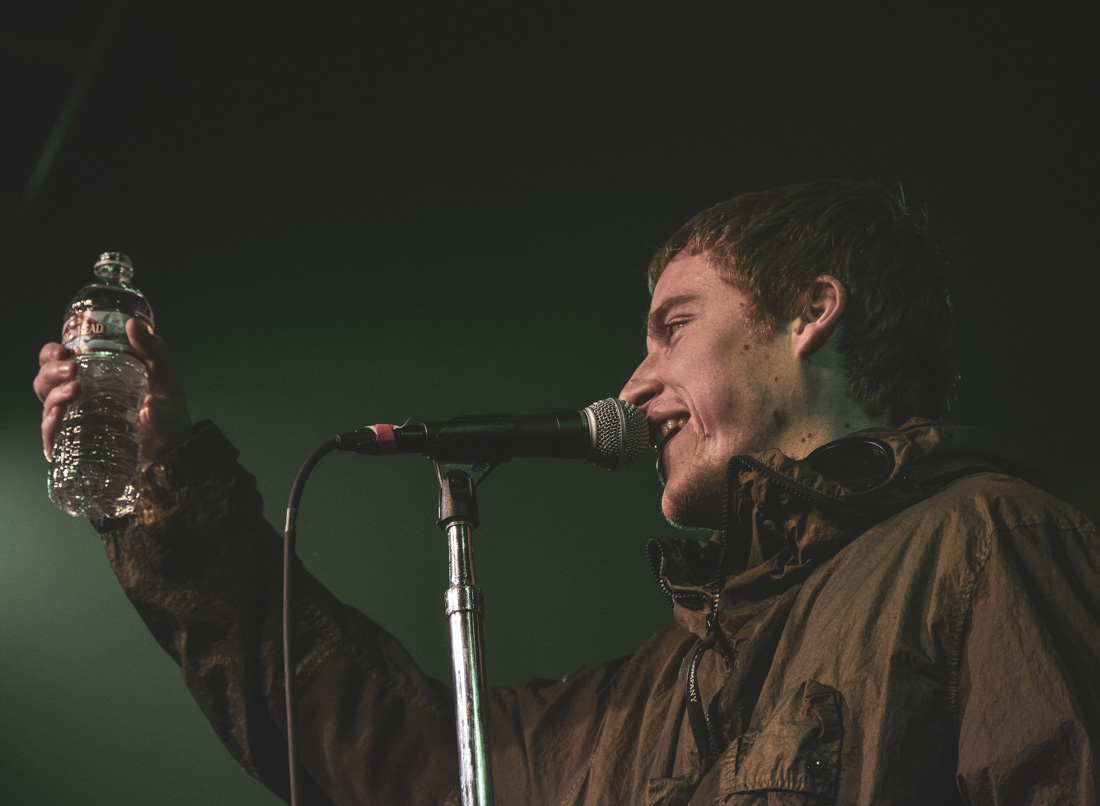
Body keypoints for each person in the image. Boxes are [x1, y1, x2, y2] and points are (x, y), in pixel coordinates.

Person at [35, 180, 1100, 804]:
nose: (633, 383)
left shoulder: (986, 546)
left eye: (672, 325)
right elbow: (389, 745)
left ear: (809, 311)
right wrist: (153, 482)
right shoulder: (657, 682)